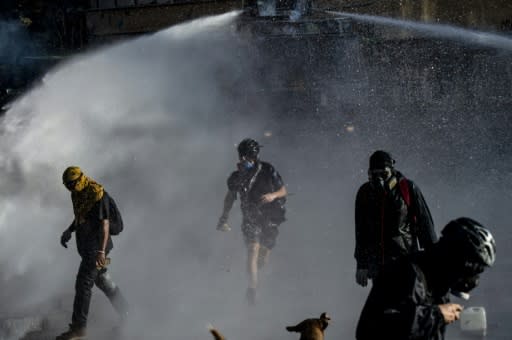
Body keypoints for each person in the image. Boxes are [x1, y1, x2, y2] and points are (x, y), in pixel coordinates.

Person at [356, 217, 496, 340]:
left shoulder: (437, 284)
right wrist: (437, 315)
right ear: (457, 257)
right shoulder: (408, 273)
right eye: (474, 268)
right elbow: (372, 329)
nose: (474, 278)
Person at [57, 166, 128, 340]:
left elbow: (104, 225)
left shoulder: (97, 194)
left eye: (73, 184)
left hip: (97, 246)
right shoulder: (78, 193)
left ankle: (79, 329)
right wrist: (69, 230)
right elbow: (82, 215)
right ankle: (129, 314)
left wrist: (101, 252)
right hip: (88, 244)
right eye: (68, 185)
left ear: (80, 179)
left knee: (83, 283)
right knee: (103, 280)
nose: (71, 188)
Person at [216, 138, 287, 305]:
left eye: (247, 157)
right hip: (250, 218)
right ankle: (252, 289)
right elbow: (230, 198)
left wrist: (272, 196)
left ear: (254, 157)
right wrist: (224, 216)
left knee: (263, 257)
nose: (243, 160)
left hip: (271, 217)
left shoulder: (267, 170)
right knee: (252, 249)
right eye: (241, 157)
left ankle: (259, 272)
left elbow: (283, 190)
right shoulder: (236, 177)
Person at [355, 150, 437, 287]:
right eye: (374, 174)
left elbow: (426, 226)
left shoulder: (407, 188)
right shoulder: (365, 193)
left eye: (383, 174)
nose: (379, 179)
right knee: (383, 306)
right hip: (378, 267)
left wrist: (432, 264)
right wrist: (361, 264)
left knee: (408, 304)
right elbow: (361, 232)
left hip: (406, 262)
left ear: (392, 170)